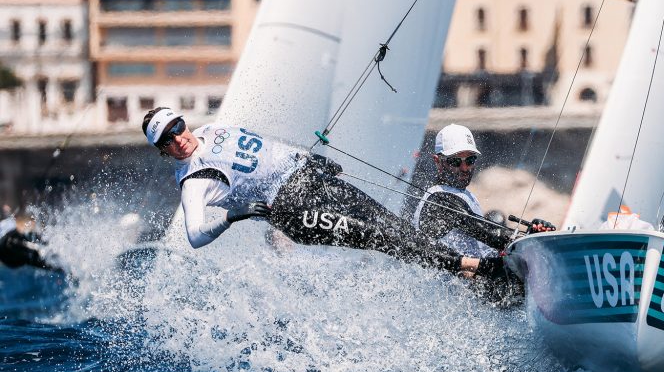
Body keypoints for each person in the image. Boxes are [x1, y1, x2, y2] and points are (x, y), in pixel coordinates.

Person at [142, 107, 495, 279]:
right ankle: (473, 266)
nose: (179, 139)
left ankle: (465, 274)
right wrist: (231, 216)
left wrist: (309, 158)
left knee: (392, 225)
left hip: (310, 177)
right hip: (291, 209)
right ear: (162, 151)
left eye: (177, 127)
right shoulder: (194, 180)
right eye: (167, 140)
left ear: (184, 121)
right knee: (379, 237)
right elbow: (195, 236)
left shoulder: (211, 129)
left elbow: (266, 149)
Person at [413, 123, 555, 258]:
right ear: (438, 162)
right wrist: (528, 237)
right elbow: (487, 234)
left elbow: (487, 243)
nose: (464, 168)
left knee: (495, 217)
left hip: (473, 273)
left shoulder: (462, 194)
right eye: (455, 161)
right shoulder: (440, 198)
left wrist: (532, 232)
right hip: (453, 275)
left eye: (470, 160)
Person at [0, 205, 60, 272]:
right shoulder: (6, 224)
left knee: (31, 256)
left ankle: (57, 266)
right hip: (8, 249)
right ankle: (43, 250)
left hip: (11, 257)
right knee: (19, 244)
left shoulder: (8, 220)